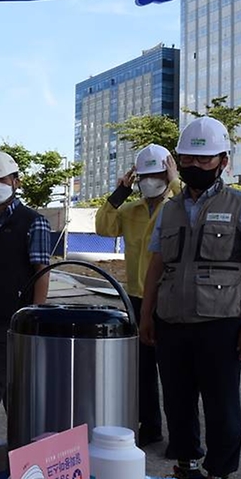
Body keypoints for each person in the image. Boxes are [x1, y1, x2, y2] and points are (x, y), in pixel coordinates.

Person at [140, 116, 241, 479]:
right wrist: (147, 316)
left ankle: (218, 474)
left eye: (205, 159)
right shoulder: (170, 209)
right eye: (189, 159)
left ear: (223, 160)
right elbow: (156, 268)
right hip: (172, 322)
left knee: (221, 404)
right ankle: (186, 465)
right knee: (177, 401)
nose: (196, 167)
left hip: (222, 324)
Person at [95, 144, 180, 447]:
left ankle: (181, 436)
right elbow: (104, 227)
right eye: (144, 175)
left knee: (173, 371)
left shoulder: (178, 205)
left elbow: (193, 212)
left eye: (157, 174)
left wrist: (176, 181)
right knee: (141, 371)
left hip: (170, 298)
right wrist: (120, 192)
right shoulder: (130, 211)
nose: (150, 180)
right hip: (137, 299)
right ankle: (151, 426)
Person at [0, 151, 52, 423]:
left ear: (16, 182)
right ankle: (22, 431)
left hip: (18, 316)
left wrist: (36, 314)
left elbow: (42, 271)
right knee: (8, 378)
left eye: (2, 179)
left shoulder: (34, 222)